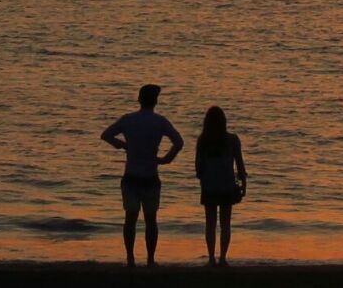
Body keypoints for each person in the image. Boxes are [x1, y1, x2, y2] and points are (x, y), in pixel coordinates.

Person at [101, 84, 184, 267]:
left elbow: (106, 135)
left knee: (130, 218)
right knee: (151, 220)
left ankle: (130, 258)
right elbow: (178, 142)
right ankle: (150, 259)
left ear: (139, 99)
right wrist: (166, 159)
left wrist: (122, 145)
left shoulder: (128, 120)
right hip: (150, 175)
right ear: (155, 101)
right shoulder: (160, 121)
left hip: (131, 174)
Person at [195, 106, 247, 266]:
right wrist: (243, 183)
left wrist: (204, 178)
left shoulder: (203, 140)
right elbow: (240, 164)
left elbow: (198, 167)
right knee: (225, 224)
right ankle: (223, 258)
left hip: (209, 185)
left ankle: (211, 258)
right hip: (227, 185)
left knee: (210, 223)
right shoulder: (232, 140)